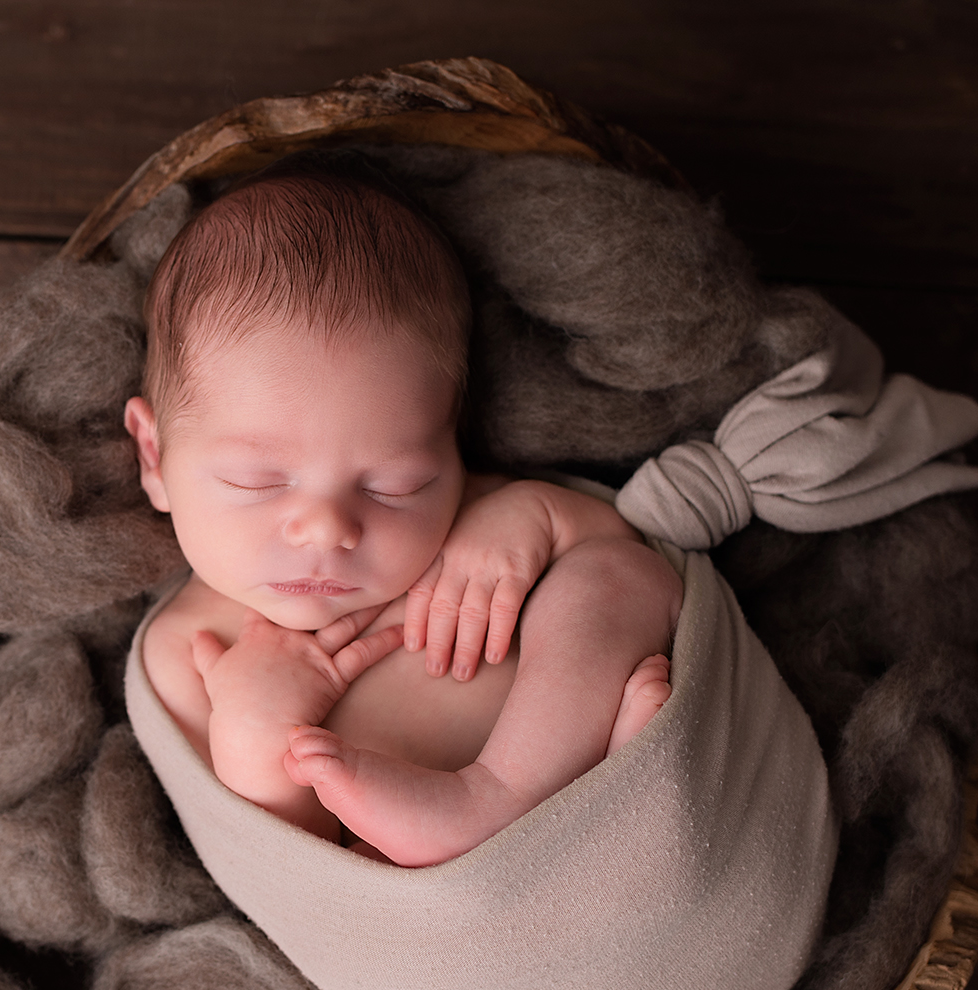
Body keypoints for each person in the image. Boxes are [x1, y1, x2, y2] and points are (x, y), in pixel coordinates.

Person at [127, 168, 682, 867]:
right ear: (155, 457)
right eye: (256, 480)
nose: (327, 528)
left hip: (582, 811)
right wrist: (255, 729)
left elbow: (634, 559)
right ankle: (599, 817)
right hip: (421, 889)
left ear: (451, 449)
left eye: (393, 485)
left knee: (626, 573)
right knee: (370, 868)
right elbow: (274, 863)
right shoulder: (186, 653)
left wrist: (538, 517)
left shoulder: (470, 519)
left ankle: (542, 791)